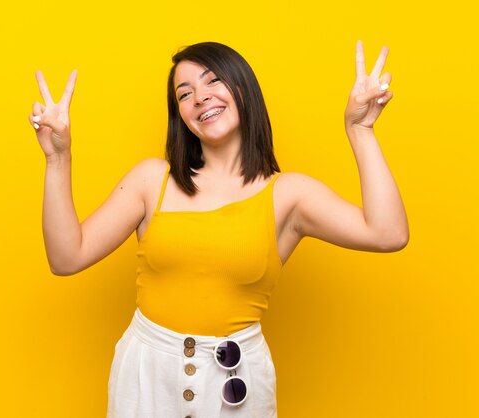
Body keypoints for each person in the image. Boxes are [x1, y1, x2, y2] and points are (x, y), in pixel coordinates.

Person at [28, 41, 408, 417]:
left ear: (243, 87)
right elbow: (66, 258)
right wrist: (57, 157)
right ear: (180, 114)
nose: (200, 97)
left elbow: (388, 234)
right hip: (146, 377)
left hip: (237, 381)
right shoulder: (150, 181)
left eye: (212, 81)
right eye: (185, 93)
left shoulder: (290, 195)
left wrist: (361, 131)